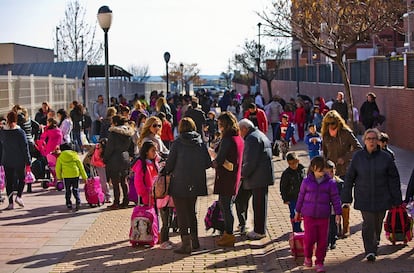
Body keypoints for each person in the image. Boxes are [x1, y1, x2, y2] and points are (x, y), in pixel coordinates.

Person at [341, 128, 402, 262]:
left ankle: (376, 241)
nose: (372, 141)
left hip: (382, 196)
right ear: (364, 141)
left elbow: (394, 178)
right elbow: (350, 177)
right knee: (368, 223)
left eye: (374, 138)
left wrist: (396, 198)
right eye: (369, 139)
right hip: (364, 196)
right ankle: (370, 250)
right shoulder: (358, 157)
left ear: (378, 141)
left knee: (378, 223)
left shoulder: (386, 157)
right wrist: (346, 197)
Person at [164, 117, 211, 254]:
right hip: (196, 182)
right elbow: (207, 163)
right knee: (191, 211)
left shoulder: (177, 143)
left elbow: (170, 165)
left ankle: (186, 244)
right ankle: (195, 240)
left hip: (180, 182)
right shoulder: (200, 142)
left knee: (181, 213)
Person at [294, 156, 342, 273]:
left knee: (322, 240)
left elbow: (335, 198)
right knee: (309, 238)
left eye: (322, 169)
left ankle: (320, 262)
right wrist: (297, 211)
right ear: (313, 168)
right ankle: (308, 257)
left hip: (323, 215)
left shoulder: (330, 183)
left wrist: (338, 213)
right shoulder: (306, 181)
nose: (321, 172)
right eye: (318, 169)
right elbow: (300, 197)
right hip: (309, 215)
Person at [321, 110, 362, 238]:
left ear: (338, 122)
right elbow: (324, 152)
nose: (331, 126)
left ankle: (345, 227)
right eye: (328, 124)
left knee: (344, 199)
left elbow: (358, 148)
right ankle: (334, 227)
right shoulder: (326, 135)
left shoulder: (346, 133)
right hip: (330, 172)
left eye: (333, 123)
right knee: (331, 200)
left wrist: (345, 157)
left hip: (345, 171)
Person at [211, 112, 244, 247]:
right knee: (227, 204)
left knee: (225, 206)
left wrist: (212, 158)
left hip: (226, 177)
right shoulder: (238, 137)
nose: (219, 126)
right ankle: (227, 233)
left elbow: (219, 159)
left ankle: (229, 234)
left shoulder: (228, 139)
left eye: (220, 124)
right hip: (233, 176)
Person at [238, 118, 274, 240]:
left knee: (258, 205)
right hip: (262, 175)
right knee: (259, 204)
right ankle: (258, 229)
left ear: (244, 129)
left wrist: (242, 174)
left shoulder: (251, 138)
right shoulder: (259, 134)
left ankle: (259, 231)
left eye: (240, 131)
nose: (239, 134)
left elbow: (250, 161)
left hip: (258, 176)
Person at [0, 111, 31, 210]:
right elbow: (25, 147)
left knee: (9, 181)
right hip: (19, 160)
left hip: (7, 159)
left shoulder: (3, 132)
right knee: (22, 178)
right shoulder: (20, 132)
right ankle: (19, 196)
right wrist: (28, 160)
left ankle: (10, 203)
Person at [104, 115, 135, 209]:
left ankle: (116, 202)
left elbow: (110, 148)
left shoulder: (113, 133)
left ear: (116, 123)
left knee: (115, 182)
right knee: (124, 180)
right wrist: (130, 156)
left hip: (115, 158)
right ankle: (126, 200)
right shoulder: (129, 133)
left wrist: (105, 158)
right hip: (125, 158)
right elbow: (132, 147)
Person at [56, 143, 88, 210]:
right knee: (76, 189)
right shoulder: (75, 155)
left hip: (66, 176)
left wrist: (59, 177)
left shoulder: (60, 157)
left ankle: (68, 203)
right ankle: (78, 202)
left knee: (67, 190)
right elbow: (81, 167)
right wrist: (85, 177)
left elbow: (58, 168)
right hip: (75, 174)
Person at [280, 152, 306, 232]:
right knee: (294, 213)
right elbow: (283, 187)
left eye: (294, 163)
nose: (293, 165)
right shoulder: (286, 174)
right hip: (292, 197)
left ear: (298, 161)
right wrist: (285, 198)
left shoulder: (302, 170)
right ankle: (296, 229)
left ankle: (302, 227)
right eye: (290, 164)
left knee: (303, 213)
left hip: (303, 197)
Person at [324, 160, 344, 250]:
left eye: (332, 172)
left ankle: (333, 240)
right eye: (327, 172)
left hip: (335, 208)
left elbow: (341, 196)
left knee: (334, 225)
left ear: (335, 170)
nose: (330, 174)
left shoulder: (339, 183)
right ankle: (327, 242)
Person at [90, 138, 111, 203]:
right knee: (103, 182)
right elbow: (97, 158)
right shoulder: (98, 148)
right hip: (99, 166)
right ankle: (106, 196)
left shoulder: (99, 148)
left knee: (103, 182)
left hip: (101, 165)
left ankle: (103, 196)